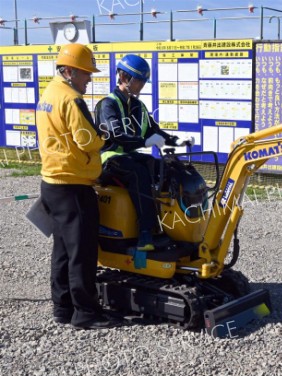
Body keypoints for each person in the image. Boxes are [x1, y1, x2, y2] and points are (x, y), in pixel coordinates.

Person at [36, 43, 121, 329]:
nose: (89, 79)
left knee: (62, 249)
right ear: (69, 71)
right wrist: (104, 138)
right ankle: (86, 313)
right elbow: (87, 140)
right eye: (85, 73)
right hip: (73, 184)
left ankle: (62, 308)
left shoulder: (49, 93)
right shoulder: (72, 99)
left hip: (52, 183)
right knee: (83, 251)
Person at [95, 54, 193, 251]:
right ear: (124, 77)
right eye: (139, 81)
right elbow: (116, 135)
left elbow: (153, 130)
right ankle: (145, 234)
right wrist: (145, 141)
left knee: (167, 167)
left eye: (143, 82)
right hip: (108, 160)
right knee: (137, 172)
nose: (141, 86)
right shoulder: (107, 105)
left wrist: (175, 140)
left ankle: (173, 227)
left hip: (128, 157)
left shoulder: (139, 106)